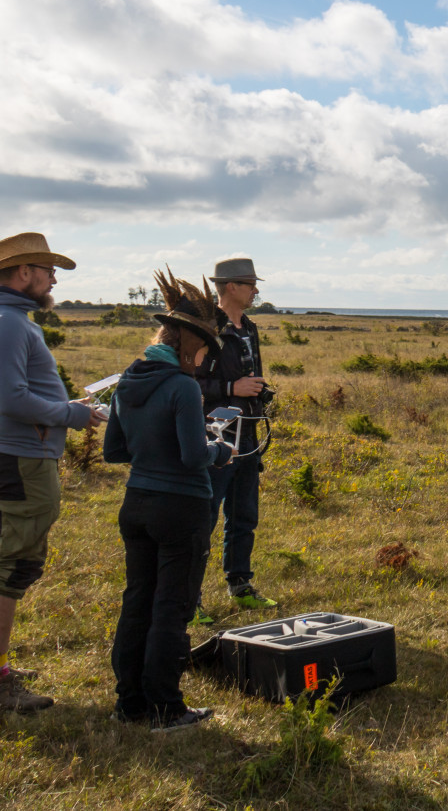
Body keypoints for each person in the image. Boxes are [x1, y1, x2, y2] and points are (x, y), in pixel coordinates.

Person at [0, 232, 108, 712]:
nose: (53, 280)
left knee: (11, 559)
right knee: (11, 563)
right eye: (48, 271)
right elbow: (9, 400)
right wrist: (70, 414)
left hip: (14, 455)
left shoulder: (1, 319)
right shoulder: (7, 324)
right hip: (18, 458)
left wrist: (64, 408)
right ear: (24, 271)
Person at [103, 270, 233, 730]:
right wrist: (220, 450)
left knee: (137, 600)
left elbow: (114, 450)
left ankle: (129, 702)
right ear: (190, 344)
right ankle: (166, 707)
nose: (205, 360)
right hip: (181, 507)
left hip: (136, 502)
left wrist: (151, 449)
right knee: (172, 606)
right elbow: (194, 456)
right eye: (204, 351)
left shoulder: (128, 381)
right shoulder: (182, 387)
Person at [189, 256, 276, 623]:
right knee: (204, 518)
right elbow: (188, 383)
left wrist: (255, 394)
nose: (255, 291)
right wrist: (230, 388)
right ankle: (188, 599)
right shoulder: (206, 328)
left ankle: (240, 585)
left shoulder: (249, 327)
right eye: (250, 284)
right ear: (230, 287)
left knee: (244, 515)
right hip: (216, 435)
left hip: (249, 433)